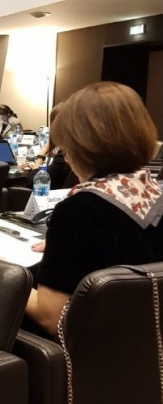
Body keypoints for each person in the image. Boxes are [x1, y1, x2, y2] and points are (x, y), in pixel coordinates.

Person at [25, 82, 163, 337]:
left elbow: (51, 317)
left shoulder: (78, 212)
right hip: (146, 342)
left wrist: (3, 277)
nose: (66, 158)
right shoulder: (155, 195)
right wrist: (62, 245)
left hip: (84, 349)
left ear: (82, 147)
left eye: (66, 148)